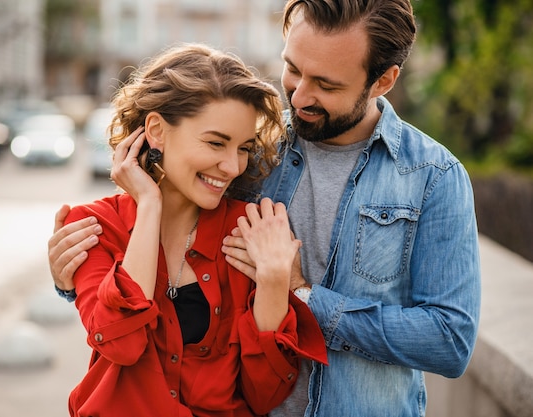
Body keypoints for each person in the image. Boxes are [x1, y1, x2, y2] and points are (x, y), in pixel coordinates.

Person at [49, 1, 482, 416]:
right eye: (293, 69)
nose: (298, 98)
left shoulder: (433, 178)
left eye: (327, 84)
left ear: (383, 80)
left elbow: (449, 341)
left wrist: (300, 294)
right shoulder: (256, 154)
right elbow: (169, 231)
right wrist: (77, 275)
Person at [55, 42, 328, 417]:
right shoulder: (93, 227)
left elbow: (264, 392)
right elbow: (122, 344)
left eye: (244, 148)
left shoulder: (249, 230)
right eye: (216, 142)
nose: (232, 166)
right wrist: (149, 205)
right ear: (157, 131)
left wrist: (275, 280)